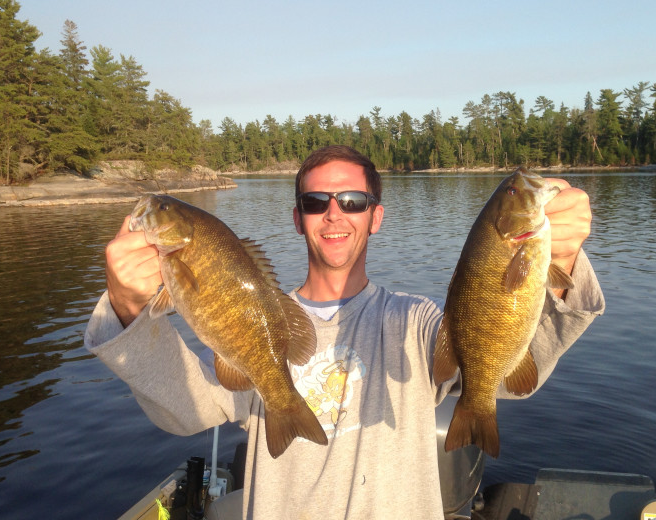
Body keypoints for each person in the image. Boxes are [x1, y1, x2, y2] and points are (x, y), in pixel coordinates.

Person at [85, 145, 605, 519]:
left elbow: (514, 360)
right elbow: (188, 410)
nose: (335, 214)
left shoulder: (416, 321)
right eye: (317, 202)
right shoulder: (259, 322)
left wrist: (562, 264)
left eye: (353, 201)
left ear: (376, 217)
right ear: (298, 218)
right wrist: (130, 312)